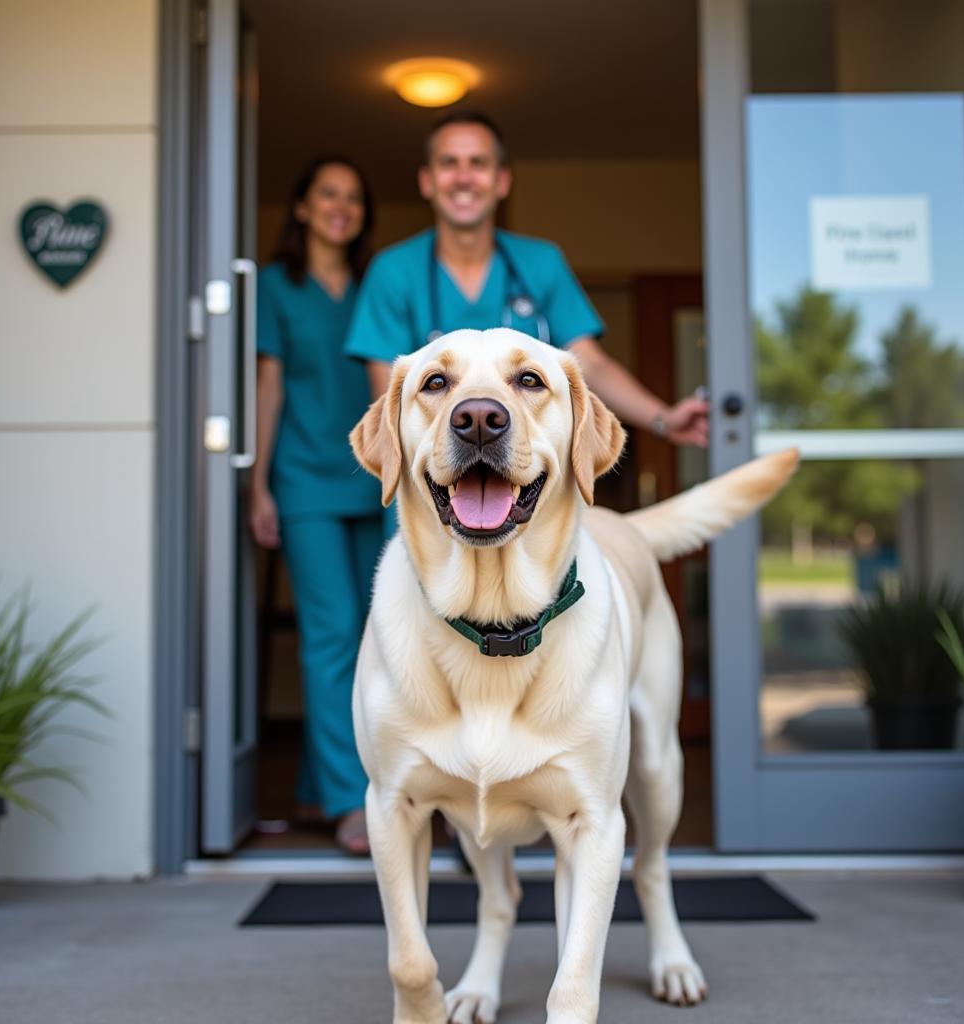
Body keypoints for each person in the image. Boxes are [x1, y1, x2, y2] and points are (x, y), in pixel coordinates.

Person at [343, 110, 708, 446]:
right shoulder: (393, 271)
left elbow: (589, 364)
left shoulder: (541, 262)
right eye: (449, 163)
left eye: (478, 163)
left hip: (525, 483)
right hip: (431, 490)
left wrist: (662, 419)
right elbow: (389, 400)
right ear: (427, 181)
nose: (464, 177)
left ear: (502, 181)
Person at [250, 156, 381, 855]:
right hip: (304, 482)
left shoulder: (373, 284)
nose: (342, 207)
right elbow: (269, 386)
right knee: (331, 634)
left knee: (372, 637)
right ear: (301, 206)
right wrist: (258, 482)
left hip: (376, 480)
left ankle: (312, 786)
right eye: (328, 193)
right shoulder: (275, 287)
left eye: (354, 197)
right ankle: (347, 801)